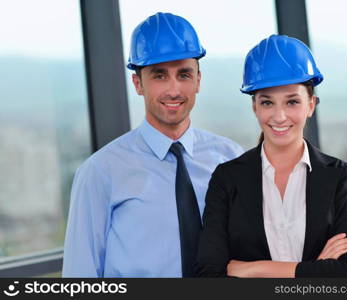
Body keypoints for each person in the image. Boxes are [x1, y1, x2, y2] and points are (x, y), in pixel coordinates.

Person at [62, 12, 243, 277]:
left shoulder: (230, 158)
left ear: (198, 81)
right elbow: (80, 276)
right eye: (159, 76)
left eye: (183, 75)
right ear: (138, 84)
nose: (173, 90)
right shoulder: (100, 172)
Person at [196, 35, 347, 277]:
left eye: (292, 102)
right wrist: (317, 268)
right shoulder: (227, 178)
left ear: (311, 104)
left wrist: (253, 269)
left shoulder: (338, 176)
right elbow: (209, 276)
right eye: (267, 103)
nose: (279, 117)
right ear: (254, 107)